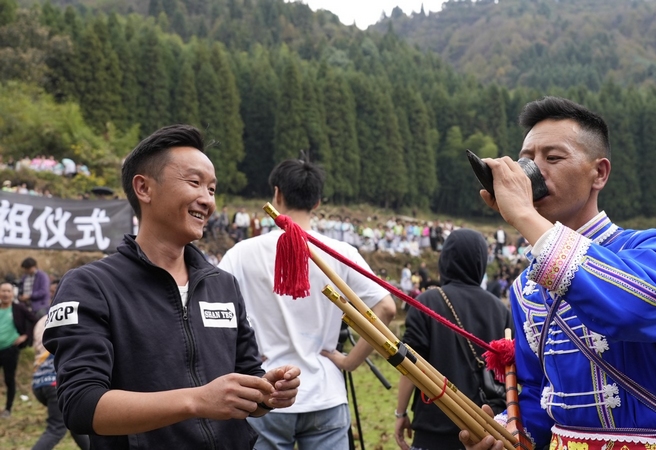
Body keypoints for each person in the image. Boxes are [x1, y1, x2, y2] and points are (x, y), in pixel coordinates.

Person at [459, 97, 656, 450]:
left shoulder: (654, 249)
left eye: (553, 158)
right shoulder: (525, 285)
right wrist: (511, 432)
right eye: (527, 161)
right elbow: (541, 392)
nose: (535, 172)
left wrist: (525, 217)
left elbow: (643, 307)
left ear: (599, 173)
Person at [43, 125, 301, 450]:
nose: (207, 200)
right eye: (194, 183)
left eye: (212, 189)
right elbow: (81, 404)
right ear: (144, 188)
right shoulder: (91, 286)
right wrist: (196, 400)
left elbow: (246, 374)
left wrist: (266, 392)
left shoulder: (223, 285)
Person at [218, 158, 395, 450]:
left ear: (277, 194)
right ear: (317, 203)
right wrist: (350, 361)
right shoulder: (340, 252)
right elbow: (386, 307)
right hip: (325, 391)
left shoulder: (242, 253)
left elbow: (213, 307)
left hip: (265, 389)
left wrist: (241, 356)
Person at [395, 228, 513, 450]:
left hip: (433, 428)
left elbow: (409, 364)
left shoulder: (427, 302)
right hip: (486, 430)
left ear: (445, 260)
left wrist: (400, 412)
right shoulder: (500, 309)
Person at [31, 278, 91, 450]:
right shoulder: (75, 314)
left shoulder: (42, 320)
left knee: (74, 425)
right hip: (57, 382)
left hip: (39, 382)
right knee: (57, 428)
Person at [1, 280, 36, 418]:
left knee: (9, 379)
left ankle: (8, 409)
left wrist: (25, 336)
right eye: (3, 291)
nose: (5, 294)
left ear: (12, 294)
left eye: (8, 291)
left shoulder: (18, 308)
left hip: (10, 349)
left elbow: (33, 319)